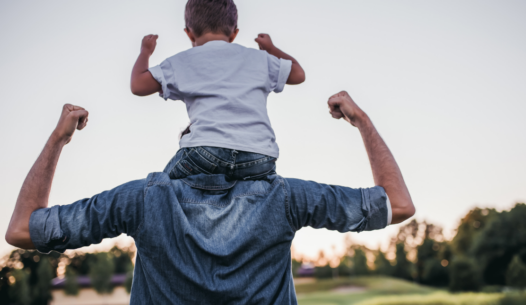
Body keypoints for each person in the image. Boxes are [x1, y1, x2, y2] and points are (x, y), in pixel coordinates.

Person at [5, 91, 415, 304]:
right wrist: (360, 120)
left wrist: (59, 139)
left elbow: (23, 229)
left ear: (185, 146)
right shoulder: (286, 198)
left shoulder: (143, 200)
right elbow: (398, 204)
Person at [130, 0, 306, 181]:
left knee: (160, 188)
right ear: (234, 33)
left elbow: (138, 85)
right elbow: (298, 74)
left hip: (206, 153)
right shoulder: (259, 58)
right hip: (260, 157)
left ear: (189, 33)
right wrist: (270, 48)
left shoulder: (183, 61)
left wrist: (145, 51)